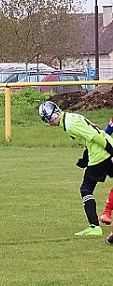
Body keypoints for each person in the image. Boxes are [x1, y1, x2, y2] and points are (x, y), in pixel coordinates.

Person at [39, 100, 113, 237]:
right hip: (102, 151)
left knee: (86, 189)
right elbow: (88, 139)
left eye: (48, 121)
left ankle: (94, 227)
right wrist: (85, 159)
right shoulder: (70, 118)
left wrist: (112, 152)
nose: (49, 124)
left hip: (101, 155)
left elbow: (95, 137)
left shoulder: (70, 124)